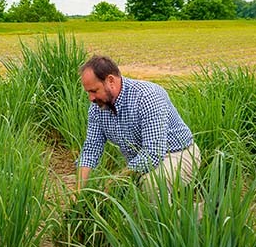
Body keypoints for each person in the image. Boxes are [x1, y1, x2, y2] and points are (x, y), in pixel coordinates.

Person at [76, 55, 200, 197]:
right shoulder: (97, 107)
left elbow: (153, 153)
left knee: (151, 184)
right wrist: (78, 192)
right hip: (140, 162)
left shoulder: (147, 96)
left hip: (177, 154)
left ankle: (199, 215)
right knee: (118, 196)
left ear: (110, 81)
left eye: (94, 91)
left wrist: (115, 181)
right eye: (88, 92)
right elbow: (91, 150)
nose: (90, 98)